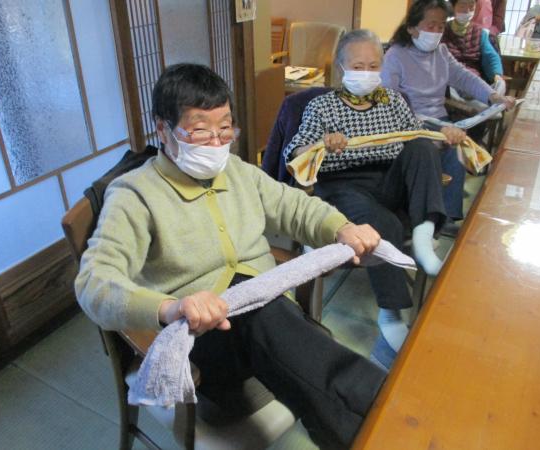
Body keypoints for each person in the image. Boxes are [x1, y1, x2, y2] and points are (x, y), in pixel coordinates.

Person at [75, 63, 387, 450]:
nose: (216, 143)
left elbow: (294, 207)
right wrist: (170, 308)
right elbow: (94, 284)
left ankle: (371, 422)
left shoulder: (237, 171)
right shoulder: (134, 195)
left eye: (225, 129)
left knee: (273, 317)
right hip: (203, 341)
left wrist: (341, 228)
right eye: (200, 130)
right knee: (268, 316)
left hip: (270, 323)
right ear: (162, 129)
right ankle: (383, 405)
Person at [283, 29, 449, 366]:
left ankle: (423, 237)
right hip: (343, 185)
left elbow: (418, 134)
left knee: (421, 146)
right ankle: (391, 314)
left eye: (373, 66)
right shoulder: (322, 106)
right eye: (358, 66)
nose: (366, 73)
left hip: (387, 179)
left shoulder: (392, 100)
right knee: (384, 224)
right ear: (341, 68)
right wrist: (321, 144)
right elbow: (295, 152)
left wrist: (446, 134)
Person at [380, 0, 514, 223]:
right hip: (409, 122)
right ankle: (425, 216)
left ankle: (449, 216)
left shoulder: (441, 52)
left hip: (440, 120)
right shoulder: (395, 56)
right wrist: (430, 128)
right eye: (430, 26)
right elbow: (388, 102)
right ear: (411, 27)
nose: (436, 32)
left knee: (457, 146)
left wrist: (493, 96)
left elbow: (463, 77)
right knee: (440, 148)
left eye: (441, 26)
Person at [442, 0, 505, 89]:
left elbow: (490, 56)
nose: (467, 11)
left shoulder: (480, 32)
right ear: (453, 7)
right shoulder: (442, 30)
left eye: (471, 6)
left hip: (473, 80)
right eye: (462, 6)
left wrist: (497, 75)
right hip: (449, 78)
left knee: (497, 88)